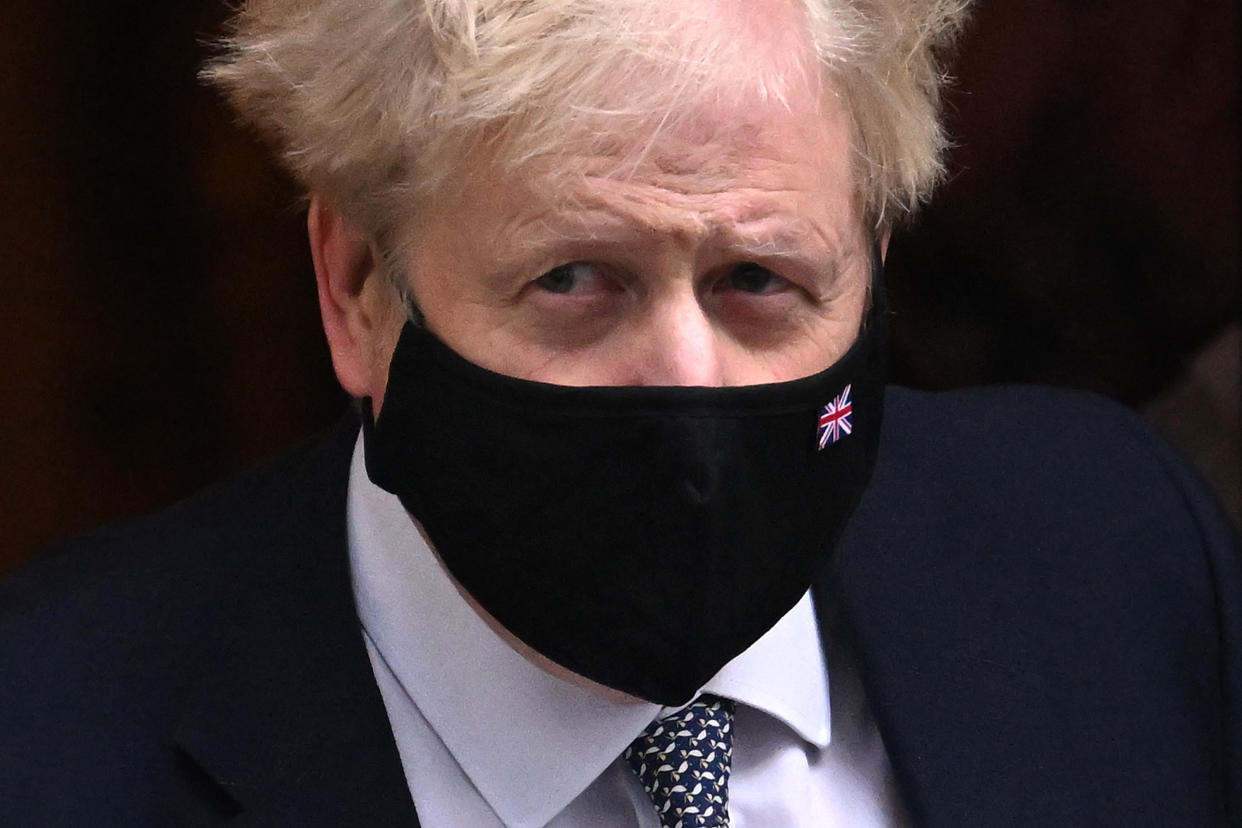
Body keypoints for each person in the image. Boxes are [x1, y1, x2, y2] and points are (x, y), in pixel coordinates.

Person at [1, 0, 1238, 825]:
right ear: (358, 289)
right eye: (573, 281)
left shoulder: (1112, 555)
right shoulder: (48, 737)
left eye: (759, 280)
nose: (688, 379)